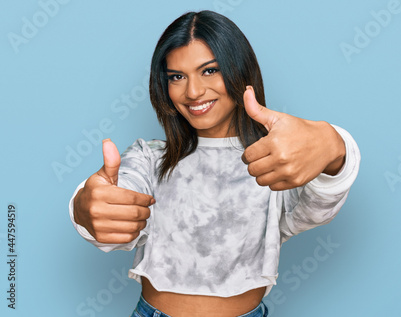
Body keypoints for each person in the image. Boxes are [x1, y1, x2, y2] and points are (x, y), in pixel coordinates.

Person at [69, 10, 360, 317]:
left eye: (209, 71)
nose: (193, 91)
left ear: (240, 71)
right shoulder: (149, 159)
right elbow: (114, 197)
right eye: (177, 77)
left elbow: (316, 210)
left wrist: (335, 146)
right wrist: (85, 206)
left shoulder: (274, 159)